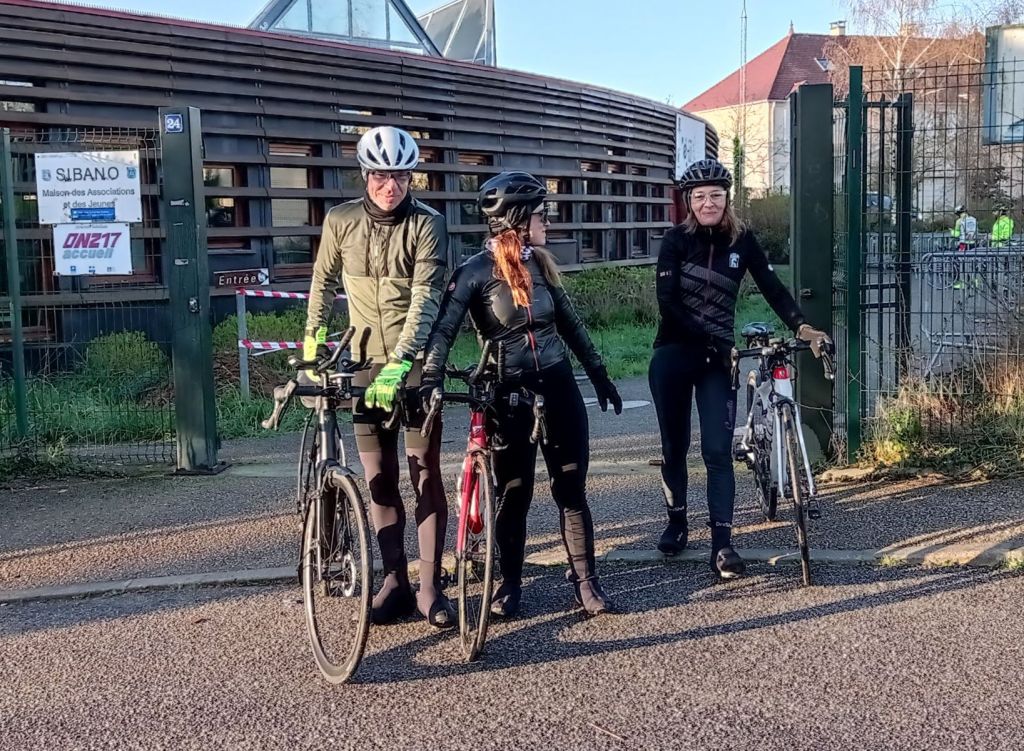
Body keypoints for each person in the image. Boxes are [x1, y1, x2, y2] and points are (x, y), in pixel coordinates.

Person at [420, 171, 623, 617]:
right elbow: (444, 330)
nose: (546, 222)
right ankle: (509, 583)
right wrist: (431, 376)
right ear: (516, 220)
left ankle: (585, 582)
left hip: (558, 387)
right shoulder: (474, 272)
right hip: (507, 394)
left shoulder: (541, 265)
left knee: (571, 488)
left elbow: (570, 324)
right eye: (539, 215)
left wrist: (599, 375)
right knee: (514, 495)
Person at [649, 158, 831, 579]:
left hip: (717, 362)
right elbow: (668, 302)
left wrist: (802, 327)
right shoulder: (675, 241)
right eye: (699, 197)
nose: (708, 203)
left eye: (715, 195)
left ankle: (722, 545)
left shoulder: (742, 240)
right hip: (674, 354)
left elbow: (773, 288)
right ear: (689, 202)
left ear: (727, 198)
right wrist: (710, 339)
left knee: (717, 452)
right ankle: (677, 521)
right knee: (675, 448)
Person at [303, 125, 454, 627]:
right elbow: (323, 282)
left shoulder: (428, 223)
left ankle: (430, 587)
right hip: (362, 364)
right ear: (366, 175)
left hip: (413, 367)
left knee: (424, 474)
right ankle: (394, 582)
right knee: (379, 480)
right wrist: (312, 342)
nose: (392, 186)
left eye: (402, 177)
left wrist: (402, 362)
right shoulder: (340, 220)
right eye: (382, 176)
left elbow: (426, 298)